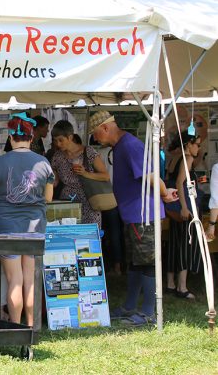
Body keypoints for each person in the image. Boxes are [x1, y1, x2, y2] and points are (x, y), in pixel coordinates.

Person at [89, 110, 177, 325]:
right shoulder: (121, 146)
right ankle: (129, 306)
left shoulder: (129, 146)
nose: (95, 139)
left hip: (143, 215)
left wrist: (165, 195)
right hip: (133, 215)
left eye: (96, 134)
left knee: (147, 262)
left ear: (105, 128)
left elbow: (152, 176)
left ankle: (148, 312)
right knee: (136, 262)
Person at [0, 113, 54, 327]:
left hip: (7, 227)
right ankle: (31, 327)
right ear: (31, 138)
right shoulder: (43, 163)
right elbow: (48, 198)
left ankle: (15, 327)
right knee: (29, 280)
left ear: (11, 137)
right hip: (35, 228)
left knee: (14, 280)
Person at [164, 131, 203, 300]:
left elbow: (170, 180)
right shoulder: (187, 159)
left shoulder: (174, 158)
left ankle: (170, 283)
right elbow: (180, 182)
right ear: (188, 144)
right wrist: (184, 206)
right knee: (186, 245)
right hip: (184, 208)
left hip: (172, 206)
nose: (199, 148)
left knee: (174, 245)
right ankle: (182, 286)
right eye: (198, 144)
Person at [50, 120, 109, 227]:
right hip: (67, 202)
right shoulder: (57, 156)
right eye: (55, 141)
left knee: (89, 237)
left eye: (61, 140)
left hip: (89, 200)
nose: (58, 144)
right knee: (68, 235)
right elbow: (55, 182)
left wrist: (85, 173)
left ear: (70, 137)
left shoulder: (88, 152)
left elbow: (105, 176)